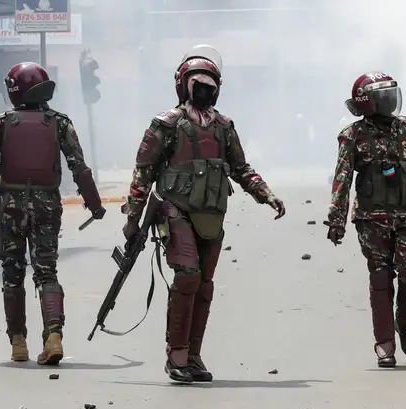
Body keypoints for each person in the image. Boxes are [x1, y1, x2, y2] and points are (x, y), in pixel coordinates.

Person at [122, 45, 286, 383]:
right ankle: (177, 355)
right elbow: (143, 173)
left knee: (204, 285)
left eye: (209, 85)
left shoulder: (223, 127)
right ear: (183, 85)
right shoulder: (166, 125)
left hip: (211, 216)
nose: (204, 90)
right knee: (187, 276)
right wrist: (132, 220)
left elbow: (241, 168)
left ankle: (193, 356)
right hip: (175, 210)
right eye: (197, 84)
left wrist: (266, 194)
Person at [0, 62, 105, 365]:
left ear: (14, 91)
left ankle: (18, 343)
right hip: (47, 206)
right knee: (47, 271)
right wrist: (95, 204)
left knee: (12, 271)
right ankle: (54, 337)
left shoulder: (0, 124)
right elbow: (79, 166)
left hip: (10, 207)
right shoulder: (60, 123)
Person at [324, 71, 406, 368]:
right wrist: (336, 219)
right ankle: (384, 344)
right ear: (366, 102)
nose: (389, 101)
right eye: (382, 96)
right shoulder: (352, 135)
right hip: (371, 218)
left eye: (390, 94)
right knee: (380, 277)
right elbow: (342, 180)